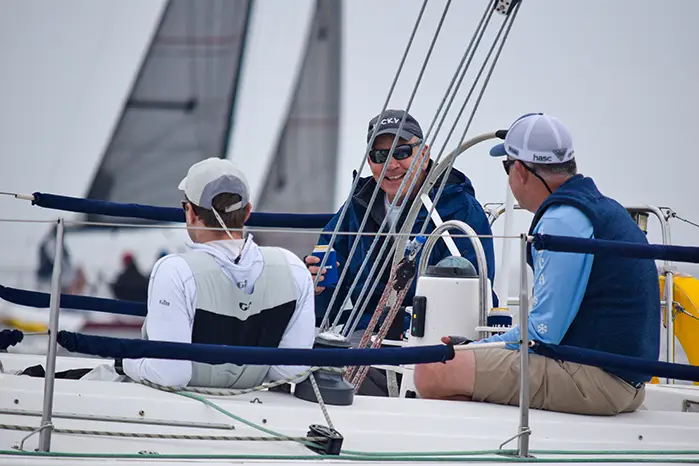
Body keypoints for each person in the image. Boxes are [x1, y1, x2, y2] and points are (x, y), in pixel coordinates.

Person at [413, 113, 660, 415]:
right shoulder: (600, 208)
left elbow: (543, 331)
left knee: (432, 369)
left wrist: (475, 348)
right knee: (465, 363)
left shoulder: (560, 220)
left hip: (598, 381)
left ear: (520, 169)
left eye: (506, 167)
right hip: (626, 380)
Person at [117, 157, 316, 389]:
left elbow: (170, 376)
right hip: (254, 406)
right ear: (248, 211)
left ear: (190, 212)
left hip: (179, 410)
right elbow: (290, 371)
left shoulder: (175, 272)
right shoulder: (292, 267)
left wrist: (124, 362)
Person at [306, 109, 497, 340]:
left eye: (401, 152)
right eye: (380, 156)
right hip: (364, 335)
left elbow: (475, 295)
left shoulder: (461, 209)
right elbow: (324, 302)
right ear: (369, 161)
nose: (392, 164)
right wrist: (313, 283)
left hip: (433, 340)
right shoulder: (357, 208)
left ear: (424, 155)